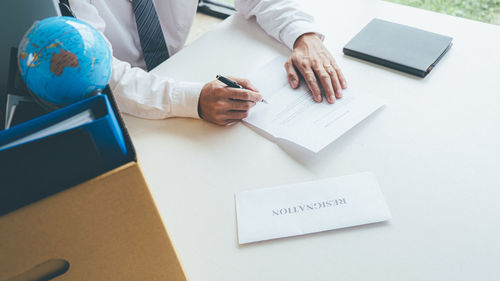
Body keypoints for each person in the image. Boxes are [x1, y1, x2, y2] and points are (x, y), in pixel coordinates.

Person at [69, 0, 347, 125]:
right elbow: (98, 73)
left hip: (180, 66)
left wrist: (303, 34)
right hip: (121, 108)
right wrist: (193, 100)